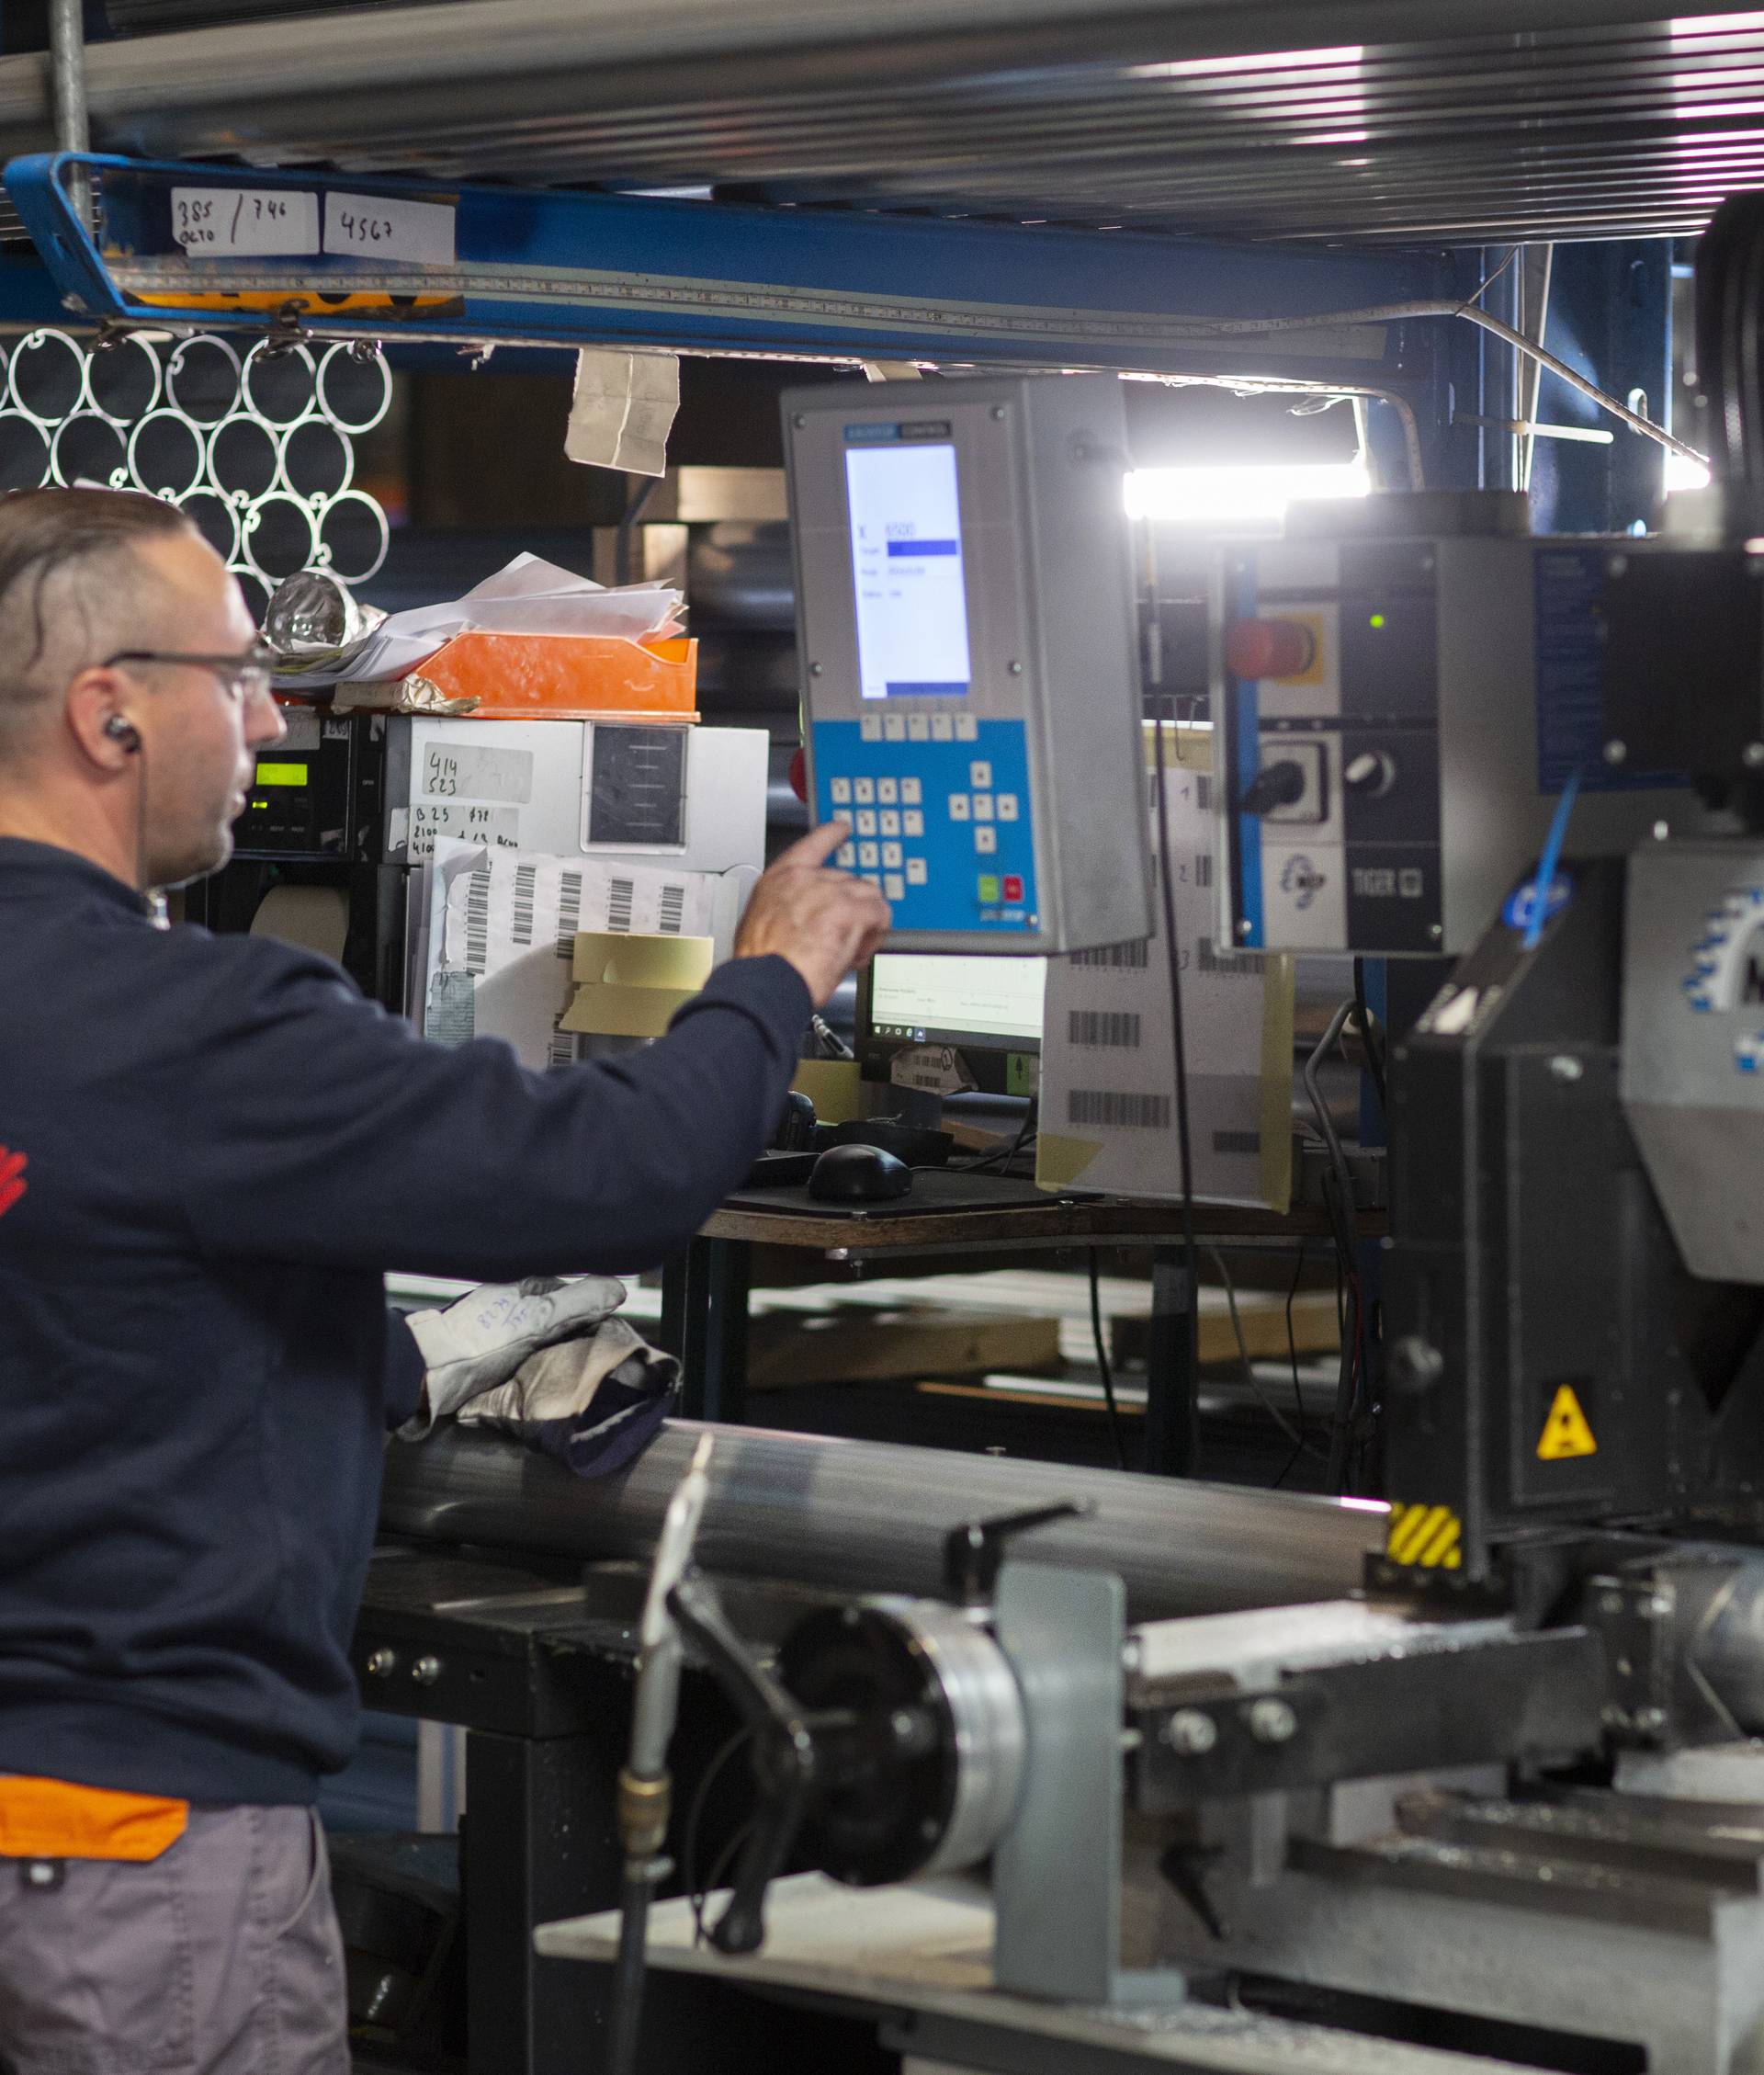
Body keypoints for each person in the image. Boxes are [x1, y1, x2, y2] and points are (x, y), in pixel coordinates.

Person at [0, 487, 888, 2072]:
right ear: (108, 712)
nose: (269, 719)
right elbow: (610, 1172)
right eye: (238, 675)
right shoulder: (197, 1026)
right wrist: (772, 973)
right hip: (131, 1843)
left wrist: (400, 1362)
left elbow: (83, 1288)